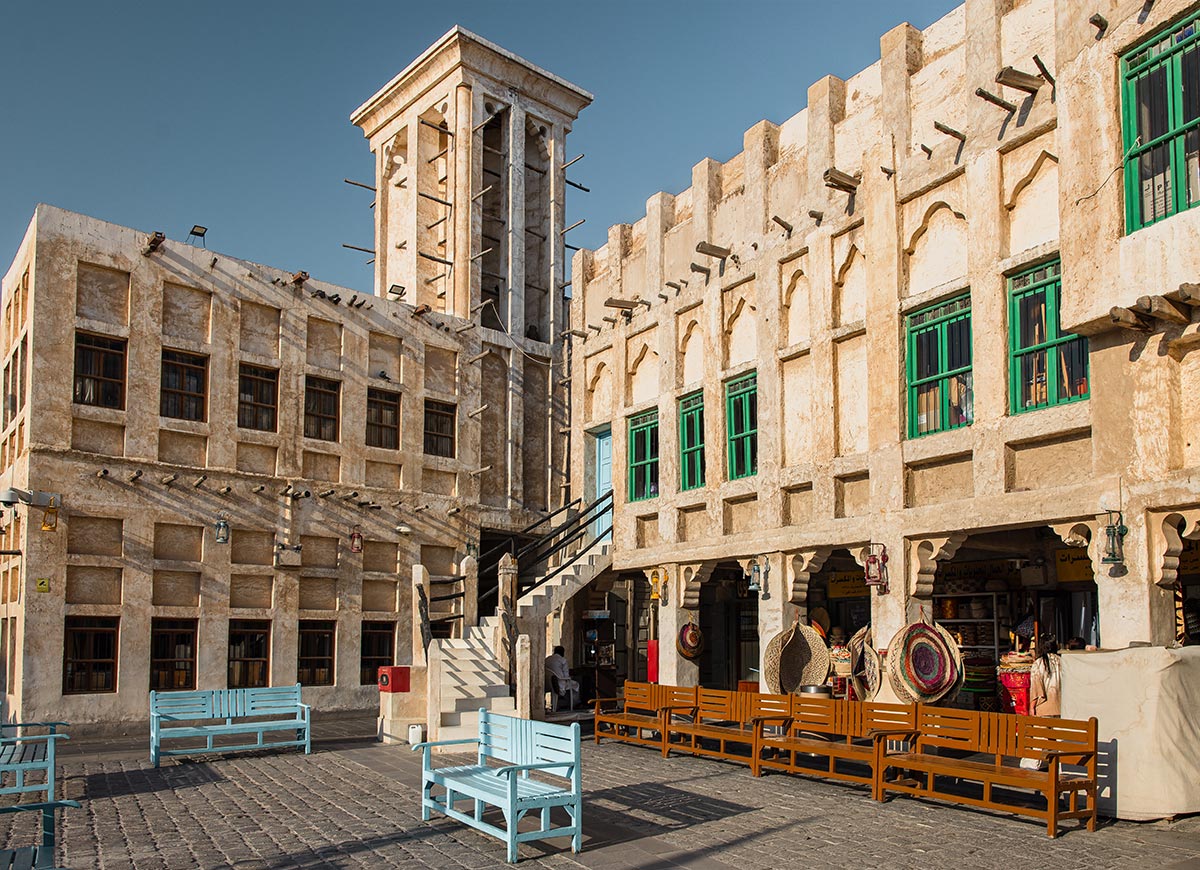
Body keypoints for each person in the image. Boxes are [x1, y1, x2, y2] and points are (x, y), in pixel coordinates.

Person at [1030, 637, 1062, 718]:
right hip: (1061, 707)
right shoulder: (1062, 661)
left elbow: (1036, 688)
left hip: (1043, 708)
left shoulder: (1038, 663)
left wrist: (1032, 707)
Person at [545, 645, 580, 711]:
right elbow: (566, 675)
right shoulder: (563, 660)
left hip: (548, 683)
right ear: (562, 653)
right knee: (576, 684)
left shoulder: (547, 659)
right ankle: (575, 704)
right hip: (559, 682)